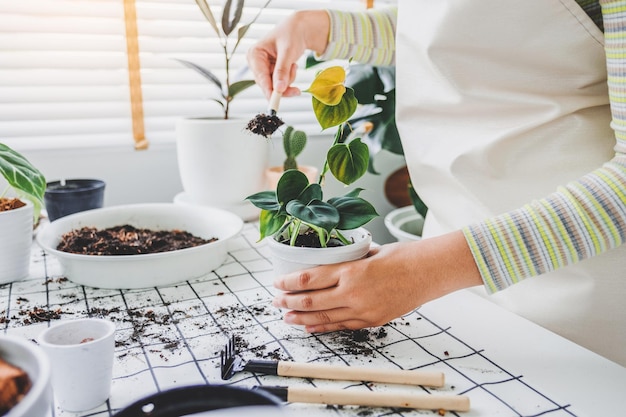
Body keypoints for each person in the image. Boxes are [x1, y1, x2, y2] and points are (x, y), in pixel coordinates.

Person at [247, 0, 626, 367]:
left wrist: (427, 271)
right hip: (448, 275)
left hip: (571, 296)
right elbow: (456, 32)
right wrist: (319, 28)